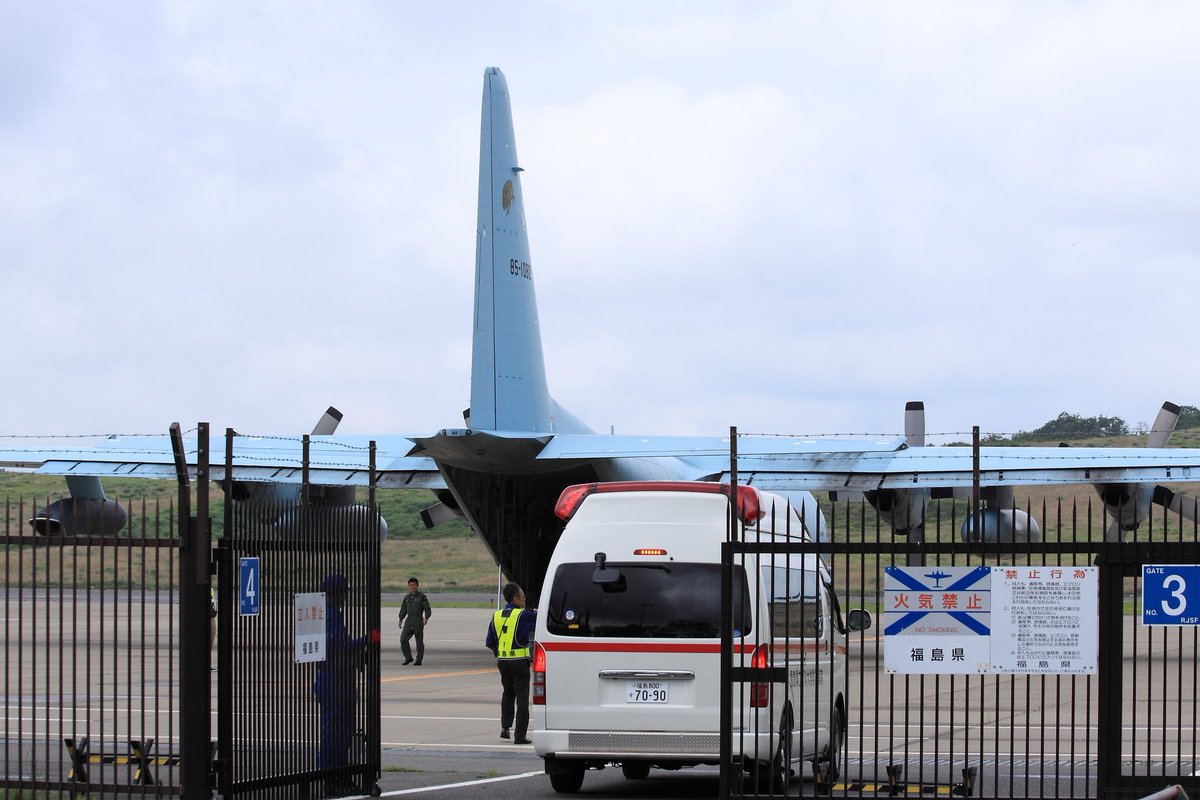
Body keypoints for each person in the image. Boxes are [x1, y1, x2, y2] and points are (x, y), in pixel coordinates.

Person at [313, 573, 378, 796]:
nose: (345, 597)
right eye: (343, 593)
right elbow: (335, 649)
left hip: (335, 679)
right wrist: (364, 640)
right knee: (335, 732)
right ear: (336, 594)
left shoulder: (329, 614)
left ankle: (337, 774)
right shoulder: (329, 616)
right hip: (334, 680)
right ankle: (331, 777)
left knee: (341, 730)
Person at [484, 582, 536, 744]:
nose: (524, 598)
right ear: (515, 598)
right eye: (522, 596)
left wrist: (500, 653)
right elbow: (543, 618)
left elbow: (490, 642)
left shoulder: (497, 615)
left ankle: (505, 728)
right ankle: (520, 736)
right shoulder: (523, 615)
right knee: (522, 698)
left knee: (507, 693)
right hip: (519, 662)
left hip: (503, 662)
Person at [398, 577, 431, 665]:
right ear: (409, 586)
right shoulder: (407, 597)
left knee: (419, 641)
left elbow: (427, 609)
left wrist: (426, 618)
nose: (413, 587)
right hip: (409, 621)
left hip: (418, 621)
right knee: (403, 639)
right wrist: (400, 619)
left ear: (417, 586)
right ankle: (408, 657)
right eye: (411, 585)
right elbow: (403, 609)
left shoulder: (422, 597)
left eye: (415, 585)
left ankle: (418, 660)